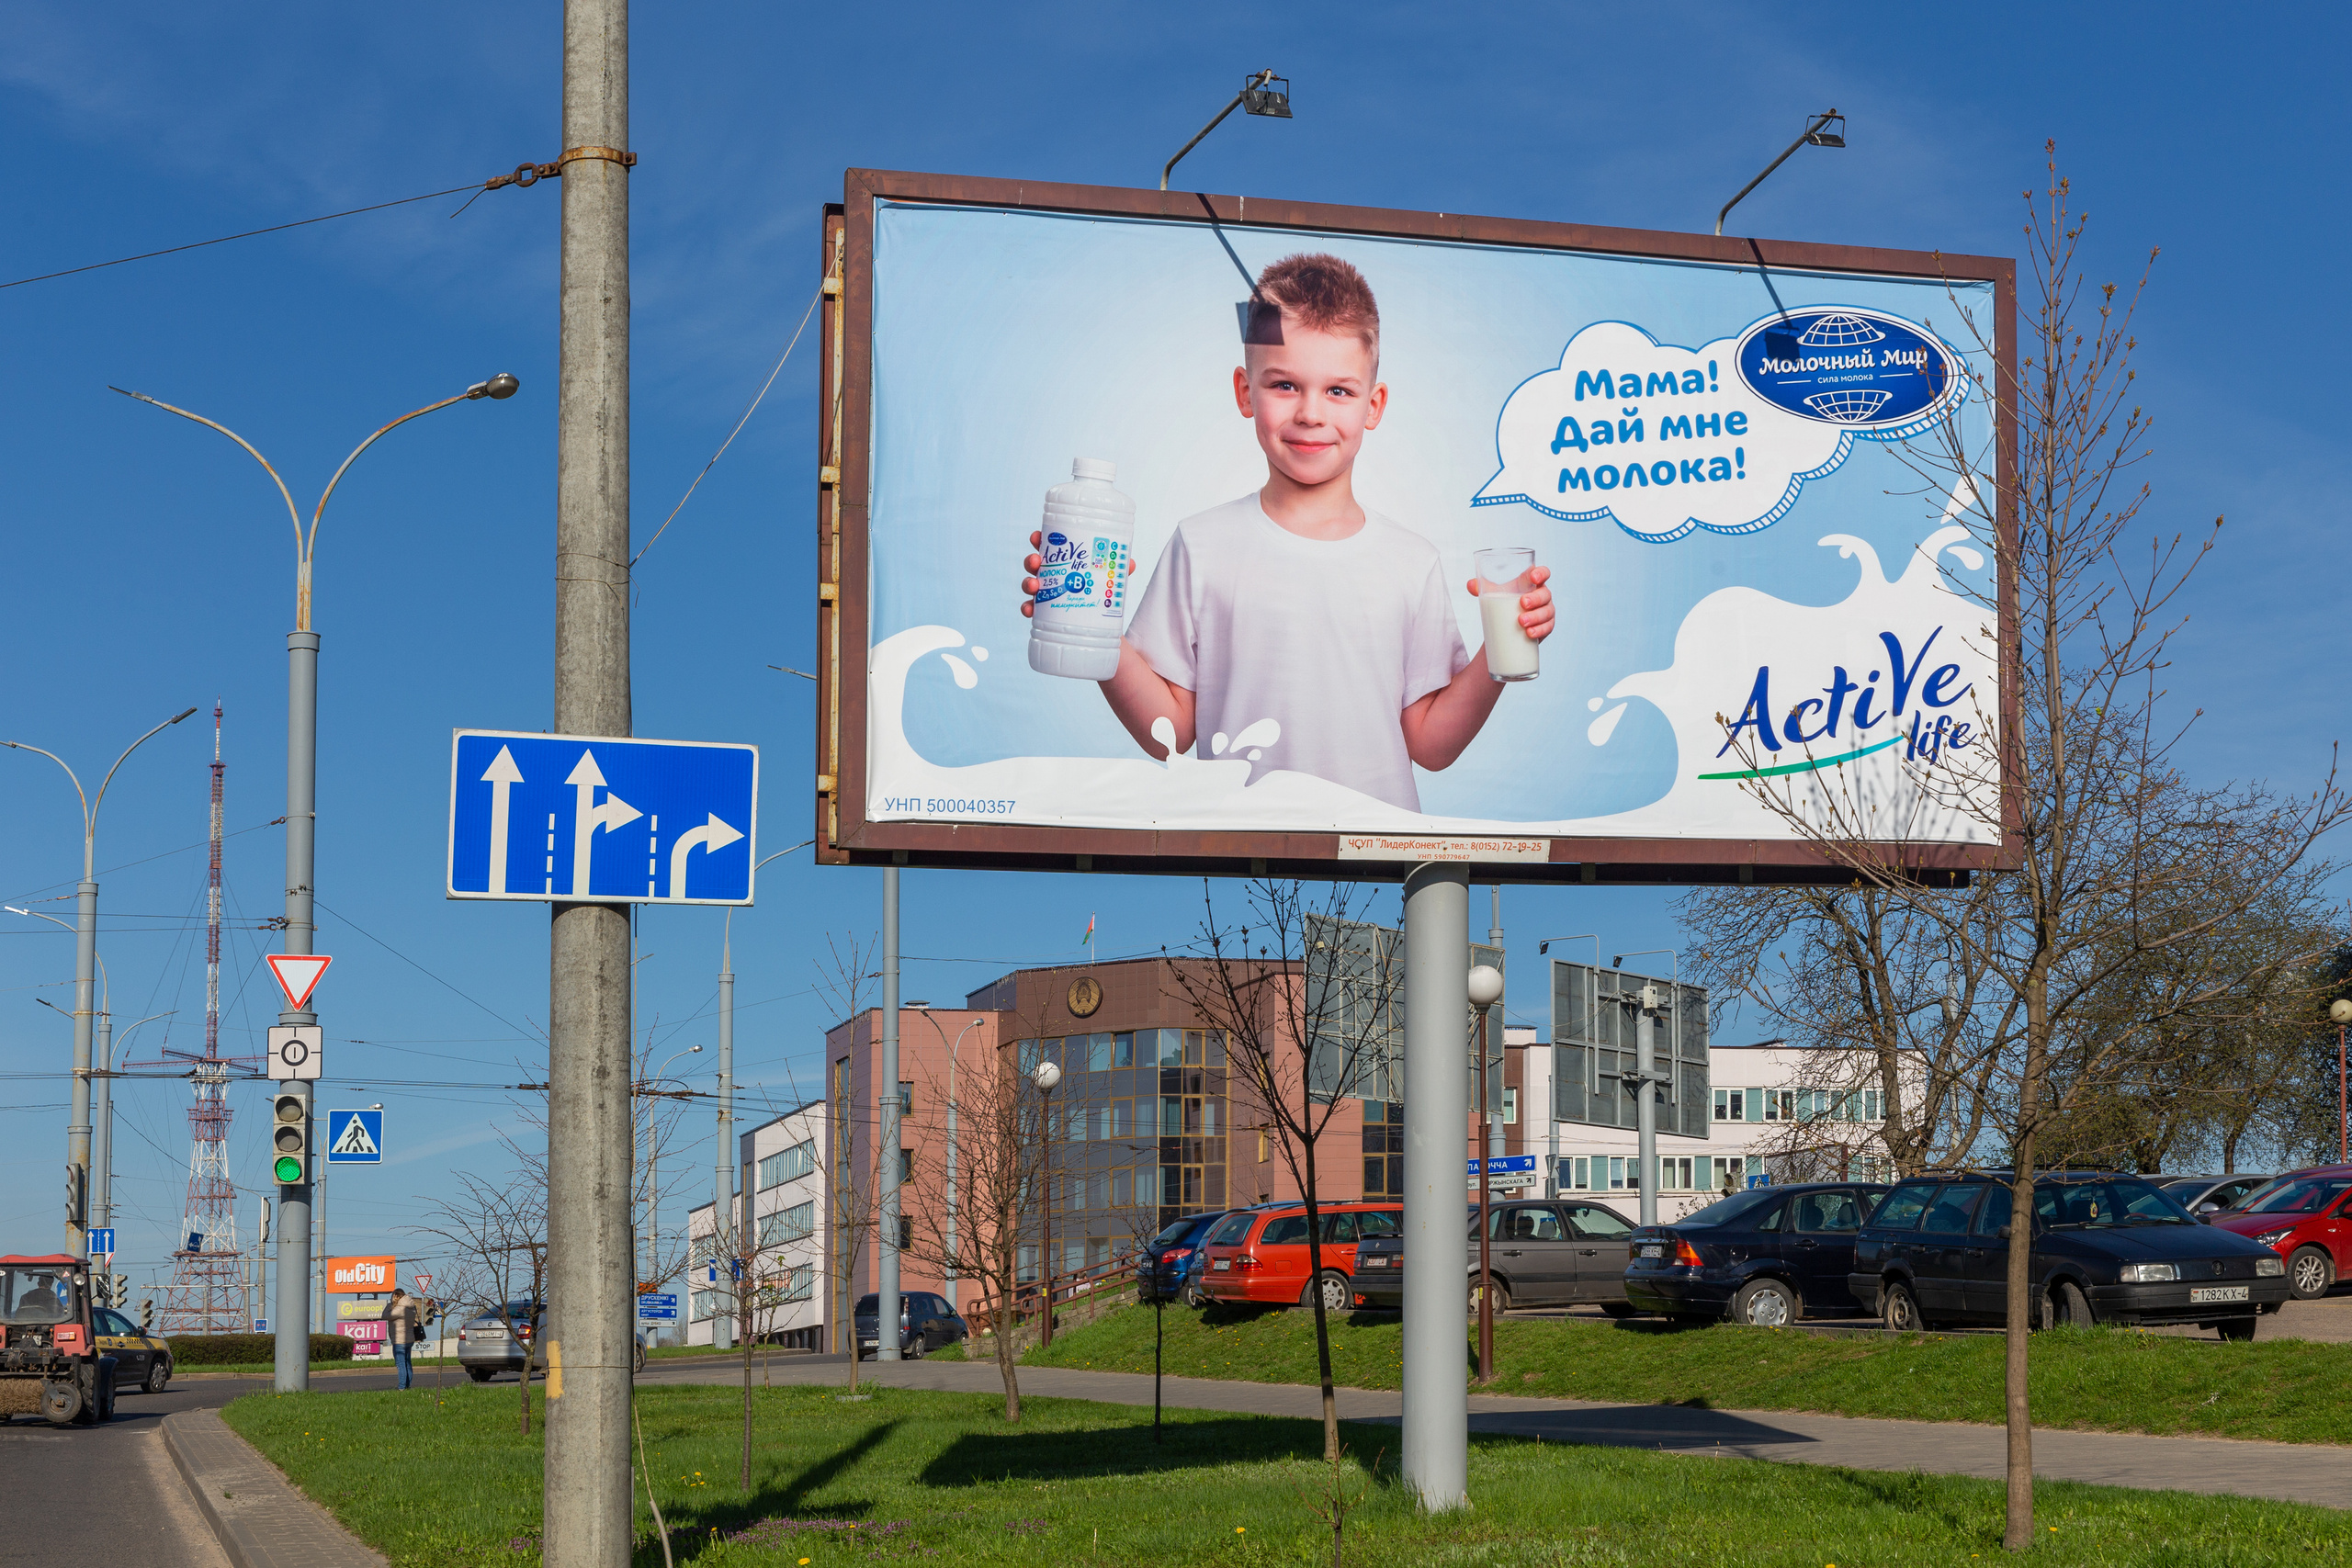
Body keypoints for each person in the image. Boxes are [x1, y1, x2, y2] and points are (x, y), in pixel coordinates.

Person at [1018, 252, 1554, 812]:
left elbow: (1431, 744)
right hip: (1237, 864)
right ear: (1245, 392)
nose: (1310, 413)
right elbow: (1171, 733)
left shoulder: (1409, 561)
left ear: (1374, 406)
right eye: (1285, 385)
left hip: (1377, 862)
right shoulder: (1200, 545)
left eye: (1339, 391)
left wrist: (1503, 645)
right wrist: (1096, 629)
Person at [381, 1286, 427, 1389]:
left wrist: (389, 1305)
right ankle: (408, 1385)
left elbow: (384, 1315)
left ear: (396, 1296)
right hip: (409, 1339)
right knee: (407, 1363)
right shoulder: (411, 1307)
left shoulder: (400, 1309)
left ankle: (402, 1387)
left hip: (399, 1340)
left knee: (401, 1364)